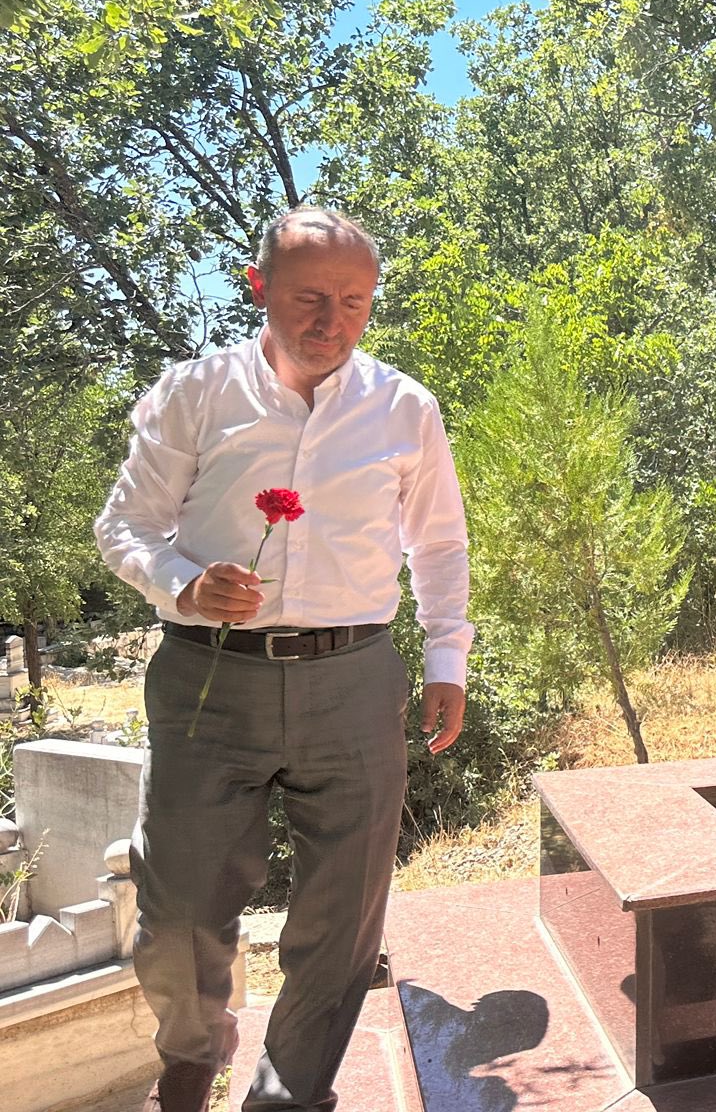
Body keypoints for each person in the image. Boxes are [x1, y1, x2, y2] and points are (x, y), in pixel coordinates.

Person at [93, 208, 472, 1112]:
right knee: (179, 906)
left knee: (343, 918)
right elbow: (125, 527)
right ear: (259, 286)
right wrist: (183, 583)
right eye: (310, 297)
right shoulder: (193, 393)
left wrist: (446, 657)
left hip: (356, 679)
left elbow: (441, 545)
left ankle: (290, 1091)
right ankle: (194, 1048)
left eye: (354, 301)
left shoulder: (404, 408)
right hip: (207, 679)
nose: (332, 320)